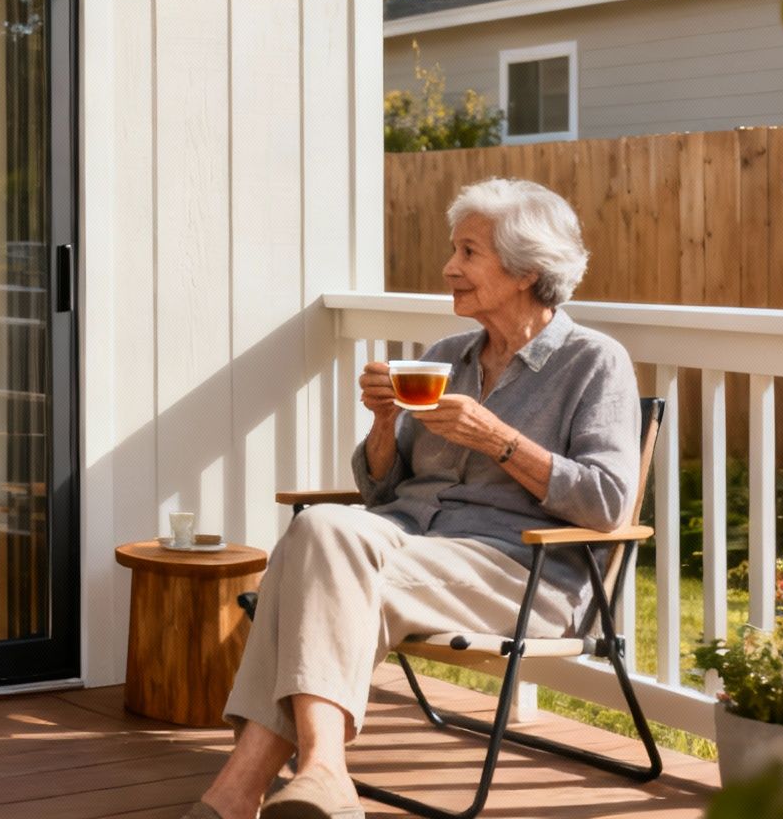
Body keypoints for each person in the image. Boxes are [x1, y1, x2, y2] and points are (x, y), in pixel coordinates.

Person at [185, 178, 640, 819]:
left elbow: (608, 503)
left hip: (516, 570)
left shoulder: (594, 362)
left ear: (526, 270)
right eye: (454, 250)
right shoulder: (446, 357)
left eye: (468, 252)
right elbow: (381, 491)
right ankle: (319, 775)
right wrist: (381, 422)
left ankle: (245, 791)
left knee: (309, 559)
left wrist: (499, 440)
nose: (448, 268)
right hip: (405, 549)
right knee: (321, 534)